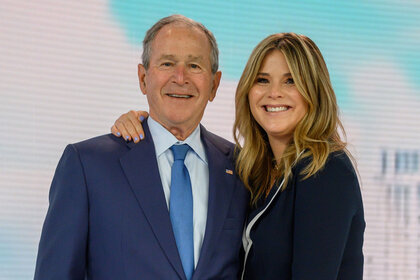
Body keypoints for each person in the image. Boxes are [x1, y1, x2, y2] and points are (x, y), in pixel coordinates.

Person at [112, 32, 365, 279]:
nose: (274, 93)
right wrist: (147, 126)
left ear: (314, 92)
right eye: (263, 80)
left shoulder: (325, 169)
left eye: (291, 81)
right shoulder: (254, 170)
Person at [34, 15, 249, 280]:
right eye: (167, 63)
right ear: (143, 77)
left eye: (194, 65)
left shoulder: (241, 168)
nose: (180, 77)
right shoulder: (87, 165)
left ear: (214, 85)